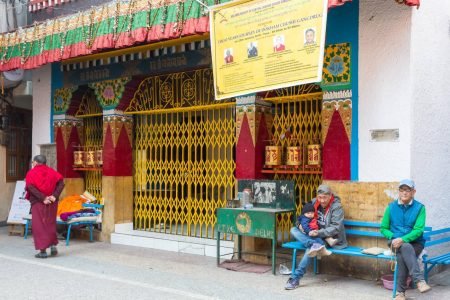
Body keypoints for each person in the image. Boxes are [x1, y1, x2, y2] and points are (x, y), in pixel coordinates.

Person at [285, 184, 347, 290]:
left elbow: (335, 228)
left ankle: (295, 278)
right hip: (312, 235)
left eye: (325, 198)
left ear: (330, 196)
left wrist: (318, 233)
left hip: (329, 237)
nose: (322, 201)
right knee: (293, 230)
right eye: (320, 197)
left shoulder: (337, 207)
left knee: (312, 248)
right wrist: (299, 225)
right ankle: (314, 244)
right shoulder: (314, 202)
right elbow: (302, 217)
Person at [380, 179, 431, 299]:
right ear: (399, 191)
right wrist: (393, 237)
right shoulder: (391, 207)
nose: (404, 193)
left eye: (407, 190)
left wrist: (402, 239)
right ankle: (419, 280)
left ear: (413, 192)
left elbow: (418, 230)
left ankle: (400, 293)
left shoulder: (420, 208)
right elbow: (384, 228)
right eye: (402, 190)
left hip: (415, 243)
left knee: (403, 252)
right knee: (405, 248)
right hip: (394, 241)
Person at [25, 155, 65, 258]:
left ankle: (42, 251)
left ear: (35, 162)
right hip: (51, 202)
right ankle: (52, 246)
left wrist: (43, 198)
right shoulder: (52, 171)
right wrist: (54, 196)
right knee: (50, 224)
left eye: (33, 162)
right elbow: (61, 183)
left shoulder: (31, 173)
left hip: (39, 202)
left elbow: (30, 187)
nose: (32, 164)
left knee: (39, 226)